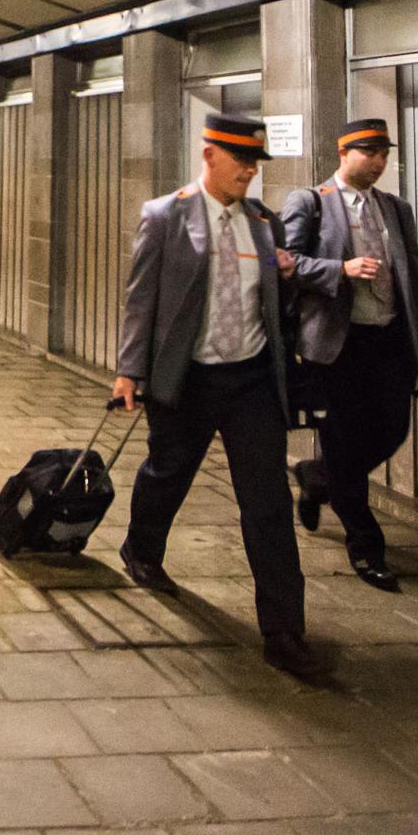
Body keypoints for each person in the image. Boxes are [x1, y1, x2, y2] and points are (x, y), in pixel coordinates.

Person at [111, 112, 324, 679]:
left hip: (251, 379)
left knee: (268, 504)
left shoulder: (262, 222)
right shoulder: (165, 216)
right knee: (167, 471)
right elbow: (142, 300)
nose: (250, 172)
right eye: (241, 161)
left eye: (256, 163)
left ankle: (283, 631)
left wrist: (287, 273)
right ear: (209, 156)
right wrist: (130, 371)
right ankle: (141, 547)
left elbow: (270, 302)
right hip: (189, 377)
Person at [278, 118, 418, 593]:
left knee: (392, 428)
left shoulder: (395, 209)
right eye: (370, 152)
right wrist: (338, 269)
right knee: (345, 442)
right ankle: (366, 546)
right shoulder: (311, 203)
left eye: (385, 153)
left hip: (388, 341)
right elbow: (282, 263)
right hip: (336, 346)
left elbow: (413, 281)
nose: (380, 161)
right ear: (344, 152)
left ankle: (317, 476)